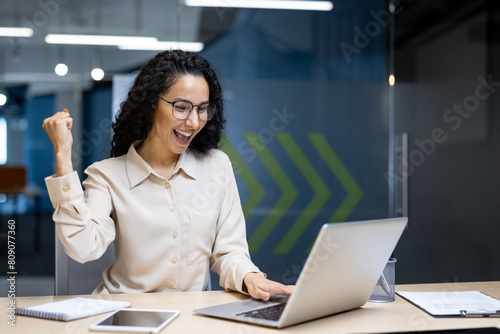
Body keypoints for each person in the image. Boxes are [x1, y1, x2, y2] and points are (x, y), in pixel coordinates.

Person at [42, 50, 293, 301]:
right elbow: (83, 248)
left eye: (202, 109)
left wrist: (251, 277)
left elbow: (229, 252)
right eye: (181, 107)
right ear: (151, 104)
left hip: (191, 318)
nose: (194, 122)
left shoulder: (217, 166)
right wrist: (63, 156)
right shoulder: (107, 175)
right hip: (125, 313)